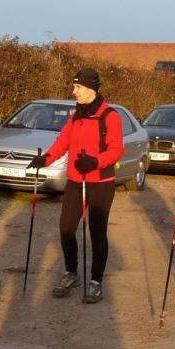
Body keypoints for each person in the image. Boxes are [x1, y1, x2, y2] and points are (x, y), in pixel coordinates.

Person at [28, 67, 123, 304]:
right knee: (66, 228)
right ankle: (72, 273)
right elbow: (63, 142)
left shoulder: (109, 116)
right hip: (75, 180)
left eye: (77, 87)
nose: (74, 91)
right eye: (74, 87)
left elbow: (116, 150)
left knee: (96, 232)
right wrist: (45, 159)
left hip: (100, 182)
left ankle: (96, 282)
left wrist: (95, 161)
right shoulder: (76, 116)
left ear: (91, 89)